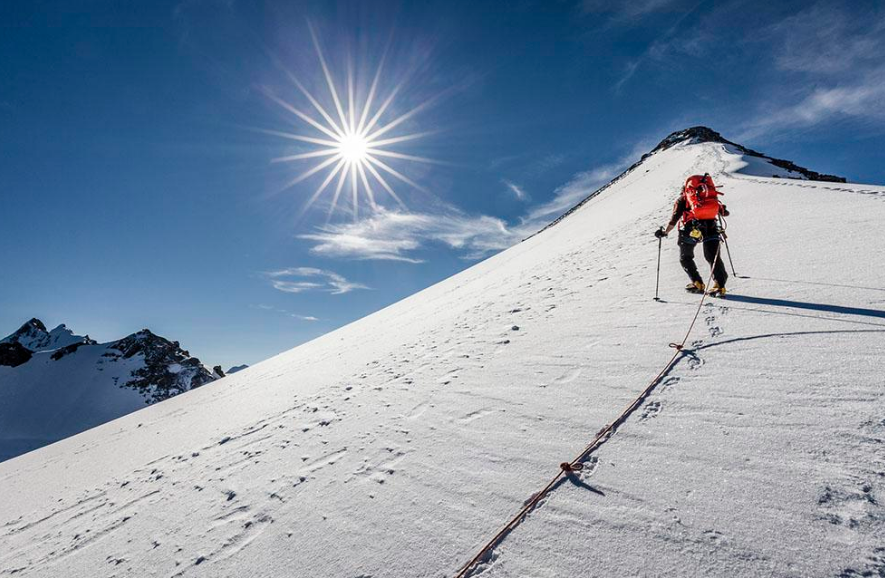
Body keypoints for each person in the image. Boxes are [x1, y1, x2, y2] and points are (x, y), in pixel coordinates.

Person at [655, 173, 729, 296]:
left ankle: (697, 283)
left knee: (686, 257)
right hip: (711, 226)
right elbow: (724, 213)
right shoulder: (710, 197)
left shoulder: (683, 199)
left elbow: (674, 219)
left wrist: (665, 232)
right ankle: (720, 286)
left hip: (691, 229)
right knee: (712, 257)